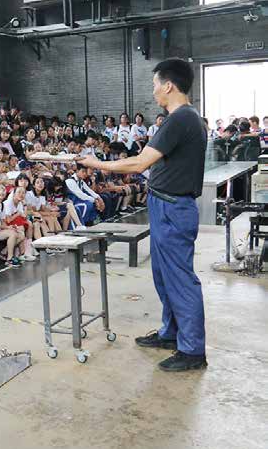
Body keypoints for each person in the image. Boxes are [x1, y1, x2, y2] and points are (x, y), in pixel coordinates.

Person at [78, 57, 207, 372]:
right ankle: (171, 332)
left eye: (155, 85)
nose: (153, 92)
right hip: (165, 205)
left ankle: (192, 350)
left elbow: (139, 163)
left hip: (173, 209)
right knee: (164, 275)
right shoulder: (183, 119)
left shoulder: (181, 119)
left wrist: (95, 163)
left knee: (179, 278)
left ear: (168, 85)